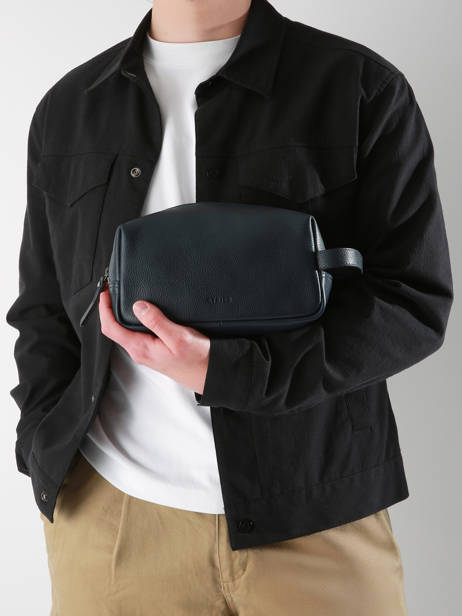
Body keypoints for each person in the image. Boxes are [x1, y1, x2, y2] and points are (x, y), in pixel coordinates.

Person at [6, 0, 453, 614]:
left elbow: (413, 299)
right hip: (111, 524)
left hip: (318, 521)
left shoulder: (360, 87)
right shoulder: (69, 107)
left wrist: (234, 372)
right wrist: (40, 443)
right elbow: (44, 308)